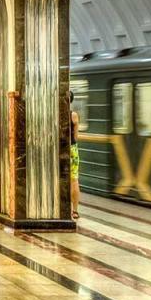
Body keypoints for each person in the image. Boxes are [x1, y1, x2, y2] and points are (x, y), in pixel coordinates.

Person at [68, 90, 80, 220]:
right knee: (74, 180)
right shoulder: (74, 115)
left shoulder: (57, 114)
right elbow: (76, 136)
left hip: (60, 149)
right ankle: (75, 211)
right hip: (72, 149)